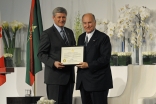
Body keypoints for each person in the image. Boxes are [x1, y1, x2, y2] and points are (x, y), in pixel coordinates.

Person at [37, 7, 76, 104]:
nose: (61, 19)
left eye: (64, 17)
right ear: (53, 18)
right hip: (55, 78)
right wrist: (53, 63)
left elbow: (74, 50)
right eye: (59, 17)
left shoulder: (69, 32)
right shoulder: (47, 33)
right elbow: (41, 54)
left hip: (69, 78)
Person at [76, 13, 113, 104]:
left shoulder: (103, 38)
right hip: (83, 82)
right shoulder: (80, 38)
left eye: (89, 22)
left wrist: (88, 65)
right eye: (85, 23)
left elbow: (105, 58)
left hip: (98, 82)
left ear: (95, 23)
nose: (87, 25)